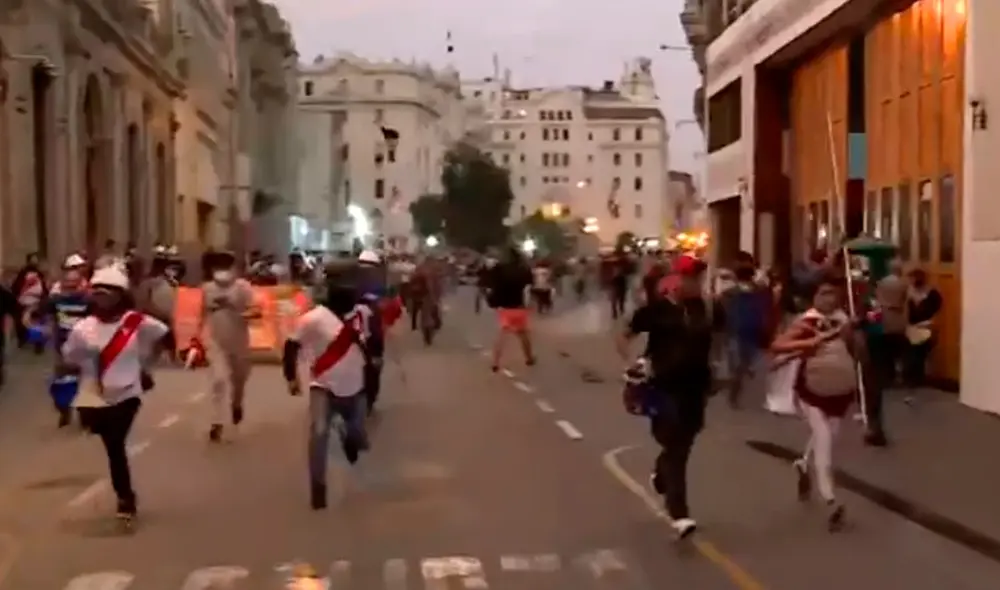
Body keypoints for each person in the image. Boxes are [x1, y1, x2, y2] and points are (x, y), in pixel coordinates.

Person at [59, 265, 168, 526]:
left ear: (120, 295)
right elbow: (69, 357)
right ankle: (125, 494)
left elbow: (164, 335)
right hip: (95, 395)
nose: (101, 296)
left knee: (115, 444)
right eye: (97, 292)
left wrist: (147, 363)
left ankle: (125, 498)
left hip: (128, 393)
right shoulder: (83, 328)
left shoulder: (137, 322)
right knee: (109, 440)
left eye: (107, 292)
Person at [616, 254, 712, 539]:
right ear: (675, 279)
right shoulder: (655, 310)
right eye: (691, 278)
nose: (696, 284)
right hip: (662, 386)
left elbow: (715, 342)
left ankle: (661, 472)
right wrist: (632, 363)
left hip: (696, 386)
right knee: (675, 443)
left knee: (684, 440)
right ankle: (679, 513)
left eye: (699, 279)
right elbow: (624, 336)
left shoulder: (705, 309)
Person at [771, 272, 858, 531]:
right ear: (813, 297)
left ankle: (802, 464)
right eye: (823, 293)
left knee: (829, 434)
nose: (829, 299)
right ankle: (830, 499)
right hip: (813, 389)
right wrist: (811, 341)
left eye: (833, 293)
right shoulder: (807, 322)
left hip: (840, 389)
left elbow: (854, 350)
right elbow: (778, 345)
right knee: (825, 440)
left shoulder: (843, 319)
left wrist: (854, 333)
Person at [283, 261, 369, 510]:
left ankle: (348, 438)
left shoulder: (361, 314)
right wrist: (291, 376)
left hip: (356, 387)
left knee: (357, 436)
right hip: (323, 386)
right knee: (318, 433)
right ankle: (318, 488)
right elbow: (291, 345)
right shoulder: (314, 318)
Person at [198, 250, 256, 442]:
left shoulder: (243, 288)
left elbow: (255, 312)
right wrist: (196, 336)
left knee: (238, 381)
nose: (222, 270)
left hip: (239, 342)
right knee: (219, 380)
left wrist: (233, 307)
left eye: (226, 266)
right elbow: (202, 313)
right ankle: (217, 422)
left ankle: (237, 404)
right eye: (218, 266)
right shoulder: (207, 288)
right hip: (215, 341)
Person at [36, 265, 91, 427]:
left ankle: (85, 416)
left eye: (74, 282)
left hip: (84, 349)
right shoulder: (56, 301)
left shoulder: (89, 302)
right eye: (67, 282)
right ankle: (64, 411)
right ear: (62, 283)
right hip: (62, 349)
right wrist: (41, 327)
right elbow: (38, 314)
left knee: (85, 385)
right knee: (60, 385)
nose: (71, 286)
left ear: (80, 283)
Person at [489, 246, 536, 371]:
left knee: (502, 335)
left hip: (505, 308)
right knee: (523, 334)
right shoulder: (523, 269)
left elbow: (491, 284)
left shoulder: (499, 269)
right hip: (519, 306)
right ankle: (529, 358)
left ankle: (495, 362)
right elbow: (530, 286)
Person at [903, 268, 942, 396]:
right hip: (914, 326)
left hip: (925, 325)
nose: (912, 281)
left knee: (918, 353)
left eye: (914, 278)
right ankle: (915, 378)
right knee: (914, 353)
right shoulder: (909, 292)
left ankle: (916, 379)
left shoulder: (931, 293)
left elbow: (934, 308)